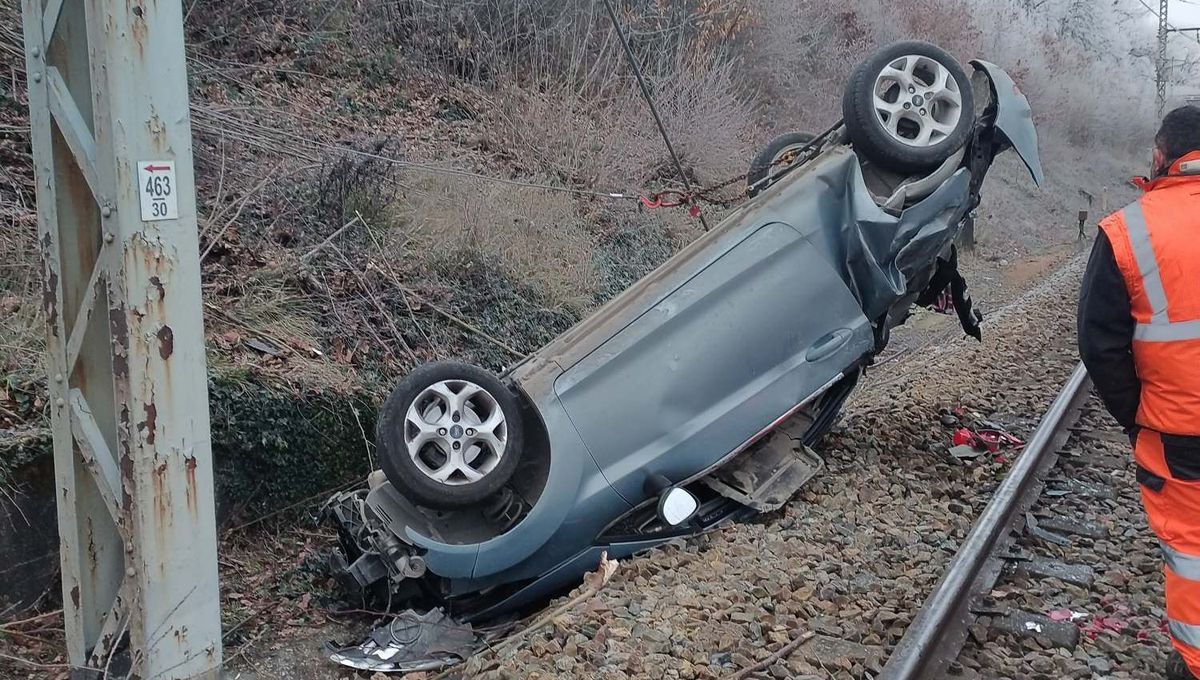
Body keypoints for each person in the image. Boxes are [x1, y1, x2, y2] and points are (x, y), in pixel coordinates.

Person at [1079, 104, 1200, 680]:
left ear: (1161, 155)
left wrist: (1138, 417)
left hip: (1180, 433)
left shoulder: (1128, 229)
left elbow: (1099, 345)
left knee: (1193, 553)